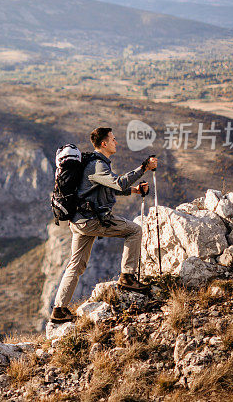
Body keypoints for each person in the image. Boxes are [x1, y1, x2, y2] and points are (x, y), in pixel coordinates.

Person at [50, 126, 158, 324]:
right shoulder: (98, 165)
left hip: (79, 220)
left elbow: (106, 188)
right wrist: (143, 168)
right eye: (113, 139)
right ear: (104, 143)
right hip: (91, 221)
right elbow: (118, 183)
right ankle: (127, 277)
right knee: (135, 230)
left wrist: (134, 191)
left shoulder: (92, 162)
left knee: (76, 265)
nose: (116, 142)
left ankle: (59, 309)